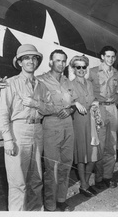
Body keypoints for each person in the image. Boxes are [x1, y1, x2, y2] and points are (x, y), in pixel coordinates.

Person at [0, 44, 55, 211]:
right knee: (18, 182)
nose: (31, 61)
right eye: (26, 58)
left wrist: (36, 103)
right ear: (20, 62)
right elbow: (2, 114)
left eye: (34, 58)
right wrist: (8, 139)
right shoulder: (10, 83)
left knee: (36, 180)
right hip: (18, 132)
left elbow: (50, 108)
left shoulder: (42, 86)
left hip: (37, 131)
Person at [38, 49, 85, 211]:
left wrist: (71, 110)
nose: (61, 64)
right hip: (51, 124)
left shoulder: (67, 82)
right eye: (58, 60)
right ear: (51, 62)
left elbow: (73, 104)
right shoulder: (41, 80)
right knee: (52, 166)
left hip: (67, 125)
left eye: (64, 61)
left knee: (66, 163)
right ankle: (50, 205)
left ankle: (61, 199)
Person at [69, 55, 101, 197]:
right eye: (78, 67)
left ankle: (86, 182)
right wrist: (74, 103)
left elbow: (93, 98)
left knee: (93, 154)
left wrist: (95, 103)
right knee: (82, 155)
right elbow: (67, 101)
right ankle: (84, 184)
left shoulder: (89, 83)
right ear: (74, 69)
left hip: (91, 120)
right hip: (79, 121)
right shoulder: (70, 84)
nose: (81, 70)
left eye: (84, 67)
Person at [88, 46, 118, 189]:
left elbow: (117, 92)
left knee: (111, 144)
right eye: (108, 56)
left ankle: (108, 176)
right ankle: (99, 178)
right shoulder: (93, 72)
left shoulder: (116, 73)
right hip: (99, 108)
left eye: (113, 57)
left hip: (112, 108)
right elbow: (87, 91)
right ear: (102, 57)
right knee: (99, 144)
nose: (110, 59)